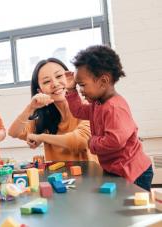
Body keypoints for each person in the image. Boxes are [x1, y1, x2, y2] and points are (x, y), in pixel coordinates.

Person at [65, 45, 153, 191]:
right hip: (116, 169)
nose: (81, 90)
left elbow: (114, 141)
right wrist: (70, 90)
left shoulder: (114, 108)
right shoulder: (97, 104)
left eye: (82, 85)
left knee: (135, 208)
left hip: (134, 171)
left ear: (103, 81)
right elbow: (79, 111)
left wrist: (91, 142)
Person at [8, 58, 96, 162]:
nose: (55, 84)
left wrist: (42, 137)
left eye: (59, 76)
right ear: (40, 90)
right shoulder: (45, 117)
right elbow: (13, 132)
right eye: (46, 81)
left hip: (90, 176)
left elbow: (81, 141)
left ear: (70, 77)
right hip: (58, 177)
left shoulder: (87, 108)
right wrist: (30, 108)